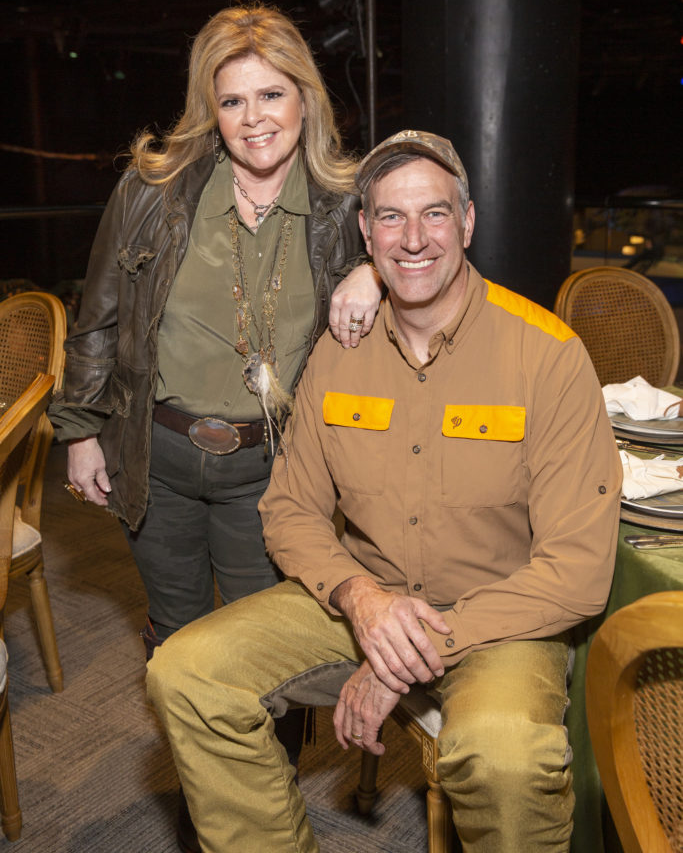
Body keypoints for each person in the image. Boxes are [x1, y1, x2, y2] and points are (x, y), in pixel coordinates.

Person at [147, 129, 622, 853]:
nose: (413, 238)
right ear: (366, 234)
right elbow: (291, 509)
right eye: (391, 217)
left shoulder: (546, 355)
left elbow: (577, 571)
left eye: (434, 213)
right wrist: (362, 600)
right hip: (364, 600)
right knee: (185, 672)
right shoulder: (339, 355)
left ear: (467, 222)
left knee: (505, 759)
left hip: (500, 618)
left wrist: (404, 652)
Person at [48, 4, 381, 852]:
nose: (253, 118)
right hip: (155, 454)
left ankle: (262, 819)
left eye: (272, 95)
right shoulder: (153, 191)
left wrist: (374, 270)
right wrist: (80, 430)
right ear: (209, 107)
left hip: (273, 471)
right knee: (178, 643)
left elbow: (434, 224)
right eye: (231, 101)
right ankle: (214, 818)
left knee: (265, 654)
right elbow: (97, 315)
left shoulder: (347, 204)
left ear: (306, 99)